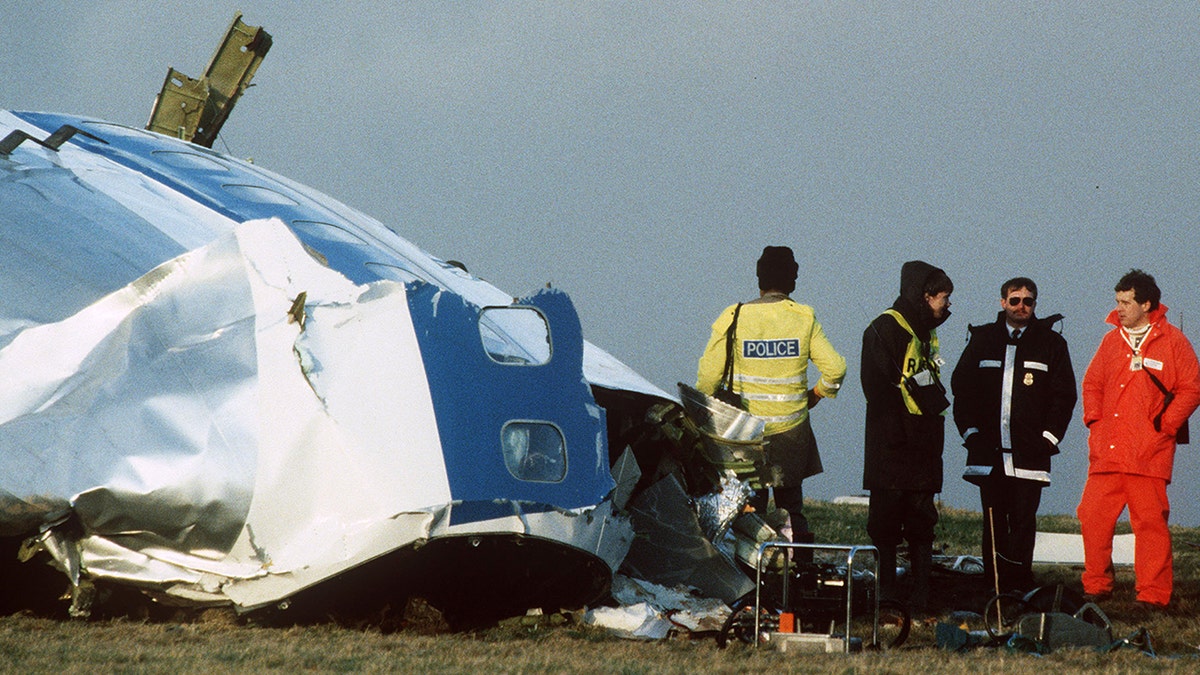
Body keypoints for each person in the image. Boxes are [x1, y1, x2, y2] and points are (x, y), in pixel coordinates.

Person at [696, 246, 846, 540]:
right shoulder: (804, 318)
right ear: (793, 280)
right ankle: (800, 568)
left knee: (750, 510)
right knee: (792, 508)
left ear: (759, 279)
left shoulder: (734, 316)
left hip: (746, 437)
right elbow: (836, 369)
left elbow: (708, 379)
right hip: (792, 434)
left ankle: (757, 573)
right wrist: (816, 393)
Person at [1078, 269, 1200, 608]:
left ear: (1146, 303)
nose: (1119, 308)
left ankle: (1153, 594)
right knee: (1092, 516)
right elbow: (1092, 384)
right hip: (1108, 452)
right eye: (1117, 301)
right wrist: (1095, 423)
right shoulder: (1110, 340)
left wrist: (1166, 425)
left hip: (1149, 453)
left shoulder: (1174, 342)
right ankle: (1096, 584)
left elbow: (1191, 388)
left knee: (1150, 524)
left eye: (1126, 302)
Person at [950, 277, 1077, 594]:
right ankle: (993, 585)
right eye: (1015, 300)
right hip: (988, 453)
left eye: (1028, 301)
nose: (1022, 307)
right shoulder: (982, 340)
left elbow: (1064, 397)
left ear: (1035, 304)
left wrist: (1048, 439)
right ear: (1002, 302)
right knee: (993, 522)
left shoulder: (1051, 345)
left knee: (1023, 520)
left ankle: (1020, 584)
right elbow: (962, 390)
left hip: (1030, 454)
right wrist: (971, 433)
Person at [861, 260, 953, 611]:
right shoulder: (884, 329)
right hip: (892, 447)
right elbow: (877, 390)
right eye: (943, 297)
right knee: (884, 524)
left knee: (922, 522)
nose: (947, 305)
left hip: (924, 445)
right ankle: (887, 595)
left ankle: (921, 594)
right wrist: (901, 435)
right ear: (925, 295)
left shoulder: (925, 332)